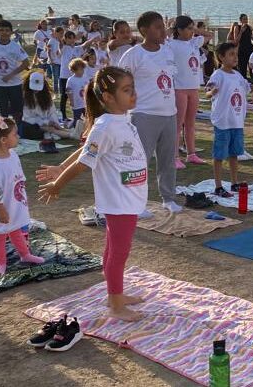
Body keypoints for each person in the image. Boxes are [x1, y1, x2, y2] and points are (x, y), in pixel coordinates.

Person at [38, 66, 150, 322]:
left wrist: (59, 166)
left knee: (114, 249)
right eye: (126, 90)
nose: (133, 94)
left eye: (133, 88)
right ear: (108, 97)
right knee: (119, 252)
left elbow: (84, 151)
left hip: (129, 198)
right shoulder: (105, 125)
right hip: (118, 201)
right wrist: (58, 183)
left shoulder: (121, 119)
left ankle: (115, 295)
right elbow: (84, 162)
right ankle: (116, 305)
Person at [121, 12, 182, 213]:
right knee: (139, 161)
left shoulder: (168, 52)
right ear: (144, 30)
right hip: (143, 114)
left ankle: (168, 198)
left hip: (169, 114)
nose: (163, 31)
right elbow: (120, 84)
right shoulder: (133, 55)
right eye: (157, 27)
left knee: (167, 160)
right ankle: (136, 203)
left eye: (163, 26)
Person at [0, 116, 45, 275]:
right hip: (0, 207)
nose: (18, 137)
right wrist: (1, 211)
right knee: (0, 234)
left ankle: (25, 255)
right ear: (3, 140)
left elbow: (17, 175)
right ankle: (0, 263)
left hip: (14, 202)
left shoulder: (13, 155)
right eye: (15, 134)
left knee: (15, 228)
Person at [205, 43, 250, 198]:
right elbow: (207, 92)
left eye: (236, 54)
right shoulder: (218, 74)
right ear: (221, 57)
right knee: (219, 155)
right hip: (223, 122)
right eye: (231, 54)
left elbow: (247, 88)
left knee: (234, 154)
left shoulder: (237, 75)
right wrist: (212, 92)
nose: (235, 57)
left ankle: (234, 183)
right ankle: (218, 186)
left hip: (236, 122)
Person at [169, 16, 206, 167]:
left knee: (190, 123)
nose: (192, 32)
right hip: (180, 88)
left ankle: (191, 153)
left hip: (193, 88)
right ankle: (174, 156)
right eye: (189, 29)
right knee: (178, 124)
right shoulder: (171, 44)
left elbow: (208, 35)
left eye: (193, 28)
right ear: (179, 30)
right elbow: (160, 37)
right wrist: (172, 29)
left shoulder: (193, 42)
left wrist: (194, 29)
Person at [20, 71, 71, 149]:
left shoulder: (47, 96)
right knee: (48, 129)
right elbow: (28, 118)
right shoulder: (25, 97)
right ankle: (68, 134)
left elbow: (52, 112)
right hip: (31, 126)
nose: (36, 90)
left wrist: (54, 122)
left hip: (46, 124)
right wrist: (45, 123)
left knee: (54, 128)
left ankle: (66, 132)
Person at [57, 31, 86, 121]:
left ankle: (81, 115)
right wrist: (59, 38)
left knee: (78, 95)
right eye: (69, 38)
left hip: (76, 77)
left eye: (73, 37)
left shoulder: (77, 48)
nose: (72, 39)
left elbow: (85, 45)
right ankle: (64, 116)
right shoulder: (64, 47)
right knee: (64, 96)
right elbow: (60, 44)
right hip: (65, 76)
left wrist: (93, 40)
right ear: (65, 39)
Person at [65, 58, 90, 123]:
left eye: (83, 69)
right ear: (74, 70)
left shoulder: (85, 78)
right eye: (80, 70)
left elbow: (88, 88)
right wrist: (71, 100)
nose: (82, 71)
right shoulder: (71, 80)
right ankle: (75, 130)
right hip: (76, 103)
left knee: (88, 118)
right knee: (77, 119)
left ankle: (86, 130)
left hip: (85, 103)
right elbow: (69, 91)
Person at [235, 14, 253, 79]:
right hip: (242, 49)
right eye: (244, 19)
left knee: (251, 65)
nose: (246, 20)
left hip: (250, 48)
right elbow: (236, 40)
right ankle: (243, 79)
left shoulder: (249, 27)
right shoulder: (238, 27)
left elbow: (252, 38)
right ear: (240, 20)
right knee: (242, 66)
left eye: (246, 19)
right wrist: (241, 31)